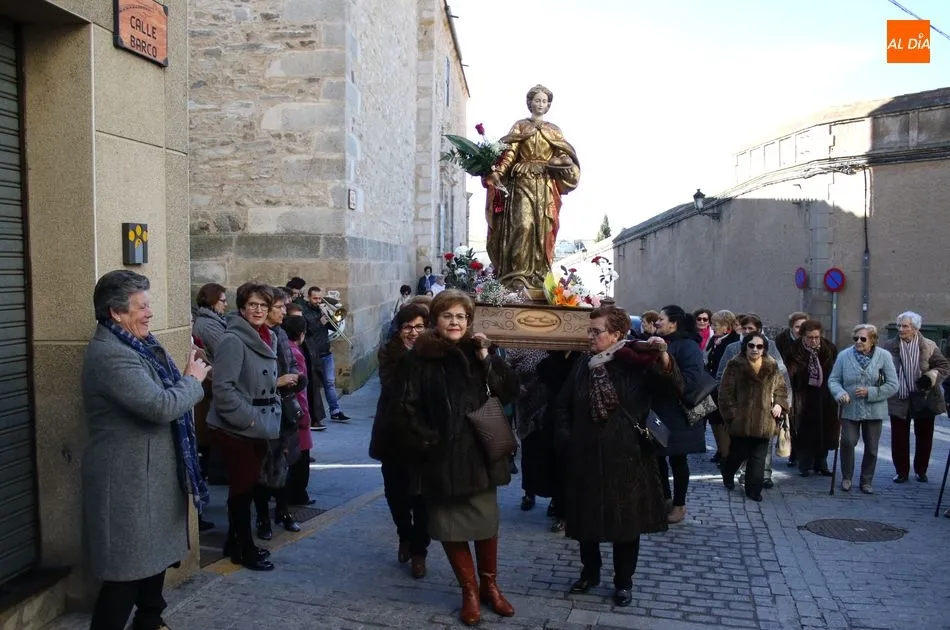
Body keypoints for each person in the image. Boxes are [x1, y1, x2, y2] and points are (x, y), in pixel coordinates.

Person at [82, 270, 210, 630]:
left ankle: (150, 621)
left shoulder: (140, 345)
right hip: (128, 482)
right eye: (141, 307)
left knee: (153, 560)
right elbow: (160, 406)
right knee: (125, 573)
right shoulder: (111, 355)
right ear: (116, 313)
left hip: (151, 477)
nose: (150, 313)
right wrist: (192, 380)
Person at [400, 290, 519, 626]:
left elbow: (509, 391)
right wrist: (429, 440)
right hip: (440, 459)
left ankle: (490, 587)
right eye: (448, 316)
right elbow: (406, 407)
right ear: (436, 320)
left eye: (461, 317)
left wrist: (486, 358)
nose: (455, 322)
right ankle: (469, 591)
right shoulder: (419, 357)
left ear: (469, 321)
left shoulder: (479, 350)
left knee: (485, 524)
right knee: (449, 527)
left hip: (479, 456)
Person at [553, 306, 675, 607]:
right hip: (585, 456)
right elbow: (562, 405)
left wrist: (663, 357)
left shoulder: (636, 363)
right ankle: (590, 572)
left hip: (628, 457)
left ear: (616, 334)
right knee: (586, 520)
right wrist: (567, 439)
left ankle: (623, 581)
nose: (590, 336)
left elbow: (671, 388)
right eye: (589, 330)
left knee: (626, 524)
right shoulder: (583, 364)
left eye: (596, 331)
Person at [206, 282, 281, 571]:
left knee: (248, 486)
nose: (258, 310)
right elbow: (223, 389)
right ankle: (243, 549)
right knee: (242, 488)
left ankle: (234, 542)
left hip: (259, 423)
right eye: (252, 305)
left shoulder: (268, 336)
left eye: (263, 305)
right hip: (236, 426)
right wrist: (249, 418)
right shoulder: (233, 340)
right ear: (242, 308)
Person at [483, 84, 580, 291]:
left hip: (544, 184)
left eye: (544, 101)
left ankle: (539, 275)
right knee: (523, 225)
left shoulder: (554, 130)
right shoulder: (520, 126)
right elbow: (510, 152)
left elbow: (562, 154)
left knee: (543, 229)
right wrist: (498, 172)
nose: (540, 104)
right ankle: (516, 275)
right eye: (537, 100)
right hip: (522, 180)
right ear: (530, 103)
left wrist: (562, 161)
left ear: (548, 105)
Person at [369, 303, 431, 579]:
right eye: (408, 327)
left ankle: (419, 551)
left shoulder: (436, 353)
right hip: (393, 435)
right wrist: (413, 356)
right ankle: (404, 534)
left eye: (419, 327)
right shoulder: (390, 352)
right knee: (396, 495)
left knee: (424, 500)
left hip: (426, 439)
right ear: (399, 329)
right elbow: (394, 387)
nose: (414, 332)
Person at [253, 288, 306, 540]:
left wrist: (296, 378)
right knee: (263, 467)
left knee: (284, 463)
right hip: (263, 410)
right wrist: (278, 382)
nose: (284, 311)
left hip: (285, 407)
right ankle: (262, 516)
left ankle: (283, 511)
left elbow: (291, 364)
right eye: (280, 307)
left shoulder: (281, 333)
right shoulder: (254, 336)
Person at [652, 305, 708, 524]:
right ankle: (665, 499)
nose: (657, 322)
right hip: (658, 410)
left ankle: (679, 505)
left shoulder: (688, 346)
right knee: (657, 457)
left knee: (678, 459)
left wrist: (666, 372)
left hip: (678, 412)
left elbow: (691, 379)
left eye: (661, 319)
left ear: (673, 323)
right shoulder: (660, 342)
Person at [828, 324, 899, 493]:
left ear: (873, 340)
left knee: (872, 447)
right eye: (856, 338)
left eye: (863, 339)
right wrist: (840, 393)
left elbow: (893, 384)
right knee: (847, 442)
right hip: (849, 408)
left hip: (874, 410)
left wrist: (870, 392)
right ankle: (847, 477)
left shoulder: (884, 356)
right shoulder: (844, 356)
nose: (858, 341)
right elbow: (833, 380)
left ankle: (866, 480)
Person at [719, 332, 789, 502]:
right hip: (741, 421)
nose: (755, 349)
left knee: (758, 458)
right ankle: (728, 472)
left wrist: (779, 404)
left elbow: (781, 388)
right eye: (751, 345)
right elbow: (725, 394)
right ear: (745, 347)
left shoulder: (771, 364)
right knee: (738, 454)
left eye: (759, 346)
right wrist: (733, 416)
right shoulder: (735, 365)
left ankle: (754, 490)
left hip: (764, 421)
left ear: (764, 348)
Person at [882, 311, 950, 483]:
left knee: (925, 436)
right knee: (899, 437)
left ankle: (921, 470)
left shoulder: (929, 345)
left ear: (915, 328)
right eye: (899, 325)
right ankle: (901, 472)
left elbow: (943, 366)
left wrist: (931, 377)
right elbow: (880, 368)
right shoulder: (889, 346)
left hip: (924, 396)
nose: (901, 329)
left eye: (905, 326)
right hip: (899, 397)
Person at [785, 320, 838, 477]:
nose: (814, 341)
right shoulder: (794, 351)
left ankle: (821, 463)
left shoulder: (829, 348)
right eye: (810, 337)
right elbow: (789, 376)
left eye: (816, 337)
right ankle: (804, 463)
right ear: (803, 336)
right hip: (803, 396)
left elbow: (836, 371)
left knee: (824, 429)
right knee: (803, 431)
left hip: (825, 396)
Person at [283, 315, 317, 507]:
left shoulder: (285, 348)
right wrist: (305, 414)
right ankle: (297, 494)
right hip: (296, 410)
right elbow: (300, 389)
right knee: (301, 457)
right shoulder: (295, 352)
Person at [301, 286, 349, 424]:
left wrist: (331, 317)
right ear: (308, 297)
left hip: (326, 352)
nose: (318, 301)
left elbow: (334, 327)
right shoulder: (304, 312)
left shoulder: (322, 310)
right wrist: (319, 322)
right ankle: (312, 415)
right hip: (312, 354)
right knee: (312, 386)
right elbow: (306, 331)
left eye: (320, 298)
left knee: (330, 383)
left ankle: (335, 411)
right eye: (315, 298)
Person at [706, 310, 740, 465]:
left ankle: (727, 454)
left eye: (716, 325)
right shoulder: (715, 340)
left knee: (723, 421)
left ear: (727, 327)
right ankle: (721, 450)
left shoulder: (732, 342)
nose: (712, 328)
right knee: (713, 420)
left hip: (724, 387)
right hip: (711, 386)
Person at [774, 311, 808, 466]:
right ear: (791, 327)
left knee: (805, 422)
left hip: (805, 387)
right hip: (788, 384)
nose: (800, 330)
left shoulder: (810, 339)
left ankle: (805, 455)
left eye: (803, 326)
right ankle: (793, 454)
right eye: (797, 326)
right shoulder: (781, 340)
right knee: (792, 421)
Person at [192, 282, 228, 360]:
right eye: (223, 301)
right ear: (212, 301)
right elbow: (226, 354)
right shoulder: (209, 326)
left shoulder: (213, 320)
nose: (226, 304)